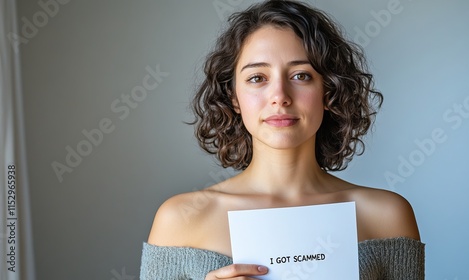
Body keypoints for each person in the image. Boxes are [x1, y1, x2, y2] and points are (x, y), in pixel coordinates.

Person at [140, 0, 425, 279]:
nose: (280, 96)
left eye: (301, 75)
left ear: (329, 92)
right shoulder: (180, 220)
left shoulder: (386, 216)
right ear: (233, 97)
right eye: (257, 78)